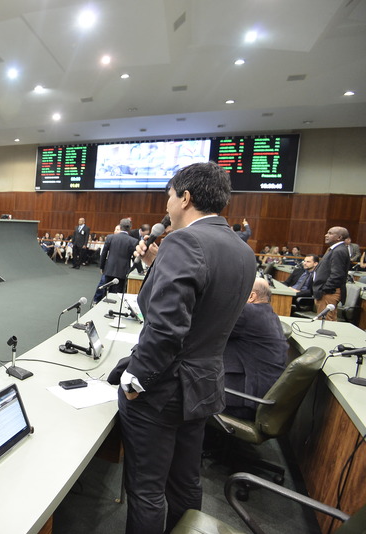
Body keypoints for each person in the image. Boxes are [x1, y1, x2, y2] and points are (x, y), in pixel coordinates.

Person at [113, 161, 255, 534]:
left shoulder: (184, 241)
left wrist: (134, 380)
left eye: (169, 196)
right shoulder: (241, 249)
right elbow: (203, 306)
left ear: (185, 197)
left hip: (163, 390)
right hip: (203, 385)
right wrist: (154, 265)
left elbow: (165, 329)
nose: (167, 204)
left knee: (146, 490)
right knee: (185, 481)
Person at [222, 278, 288, 421]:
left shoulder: (247, 313)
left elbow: (209, 326)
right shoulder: (268, 313)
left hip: (242, 400)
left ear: (251, 296)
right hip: (259, 397)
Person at [93, 218, 138, 305]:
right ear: (130, 228)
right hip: (123, 271)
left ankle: (102, 306)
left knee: (105, 291)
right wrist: (137, 270)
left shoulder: (110, 237)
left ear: (120, 227)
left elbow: (104, 253)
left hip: (109, 269)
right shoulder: (133, 241)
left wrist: (102, 267)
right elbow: (135, 258)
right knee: (118, 293)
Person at [312, 226, 350, 322]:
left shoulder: (339, 251)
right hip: (327, 292)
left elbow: (337, 274)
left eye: (330, 233)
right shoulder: (334, 249)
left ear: (339, 237)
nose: (326, 235)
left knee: (325, 322)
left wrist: (324, 289)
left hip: (329, 293)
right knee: (329, 321)